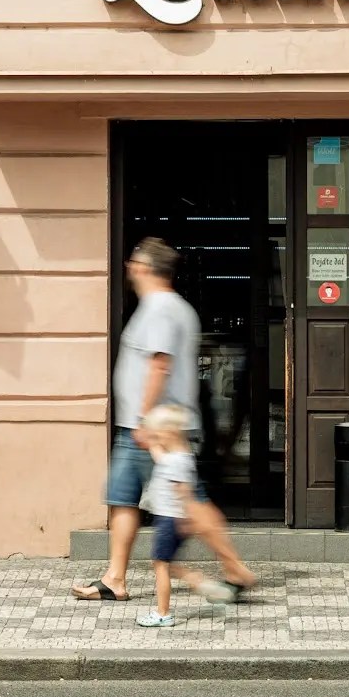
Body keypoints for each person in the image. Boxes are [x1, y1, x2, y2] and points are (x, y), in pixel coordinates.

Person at [72, 237, 255, 602]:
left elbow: (159, 363)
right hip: (142, 425)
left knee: (189, 501)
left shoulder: (161, 308)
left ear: (145, 267)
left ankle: (236, 569)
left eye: (133, 261)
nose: (128, 266)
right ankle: (115, 578)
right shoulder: (162, 307)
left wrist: (143, 420)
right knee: (122, 497)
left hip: (156, 427)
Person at [136, 403, 236, 628]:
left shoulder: (176, 462)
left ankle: (163, 614)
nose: (154, 437)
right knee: (165, 563)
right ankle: (197, 581)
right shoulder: (180, 456)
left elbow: (185, 493)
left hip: (171, 520)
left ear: (169, 433)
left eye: (156, 433)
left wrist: (186, 519)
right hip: (171, 519)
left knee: (161, 566)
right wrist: (149, 437)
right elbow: (160, 455)